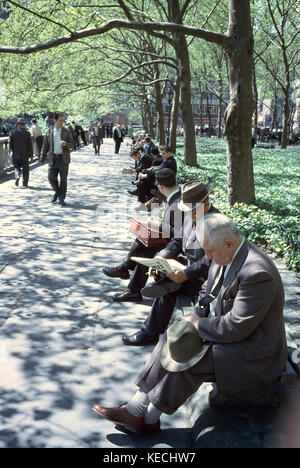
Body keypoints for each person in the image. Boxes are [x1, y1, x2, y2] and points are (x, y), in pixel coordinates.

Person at [93, 214, 288, 435]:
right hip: (230, 333)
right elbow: (207, 290)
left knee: (192, 359)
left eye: (210, 251)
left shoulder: (257, 273)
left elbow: (236, 327)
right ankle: (134, 409)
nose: (207, 257)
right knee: (173, 336)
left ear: (229, 243)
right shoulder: (225, 251)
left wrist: (198, 324)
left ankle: (147, 419)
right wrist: (193, 318)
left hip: (254, 351)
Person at [122, 181, 218, 346]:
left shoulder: (216, 224)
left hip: (204, 278)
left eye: (193, 210)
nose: (190, 214)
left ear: (206, 204)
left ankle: (150, 330)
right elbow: (177, 240)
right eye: (187, 210)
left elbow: (212, 259)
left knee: (170, 286)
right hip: (185, 267)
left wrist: (186, 273)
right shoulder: (191, 216)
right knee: (164, 273)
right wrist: (161, 257)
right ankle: (151, 327)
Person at [104, 169, 183, 303]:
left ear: (160, 186)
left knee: (145, 251)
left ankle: (128, 276)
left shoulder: (176, 203)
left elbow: (179, 233)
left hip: (178, 247)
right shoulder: (176, 197)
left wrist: (157, 225)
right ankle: (128, 278)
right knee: (142, 239)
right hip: (171, 241)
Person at [41, 112, 74, 206]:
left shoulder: (66, 131)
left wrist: (66, 144)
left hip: (63, 159)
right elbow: (45, 146)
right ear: (55, 120)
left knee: (63, 180)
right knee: (50, 177)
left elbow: (73, 144)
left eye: (63, 121)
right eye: (60, 121)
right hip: (52, 159)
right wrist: (42, 158)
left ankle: (61, 198)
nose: (62, 122)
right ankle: (57, 192)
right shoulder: (49, 131)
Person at [9, 117, 33, 188]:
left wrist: (13, 150)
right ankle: (25, 182)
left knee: (16, 167)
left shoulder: (12, 132)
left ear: (18, 124)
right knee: (26, 168)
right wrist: (31, 154)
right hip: (25, 154)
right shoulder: (27, 133)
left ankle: (17, 175)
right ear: (23, 125)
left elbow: (10, 144)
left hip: (16, 153)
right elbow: (30, 145)